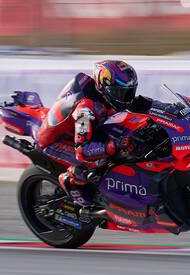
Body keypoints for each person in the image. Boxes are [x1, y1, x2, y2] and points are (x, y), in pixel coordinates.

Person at [35, 59, 154, 206]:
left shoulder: (106, 95)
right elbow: (83, 150)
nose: (126, 97)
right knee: (100, 161)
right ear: (105, 87)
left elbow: (141, 104)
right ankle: (72, 182)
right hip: (57, 142)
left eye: (130, 91)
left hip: (82, 131)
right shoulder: (85, 110)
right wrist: (115, 146)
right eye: (120, 92)